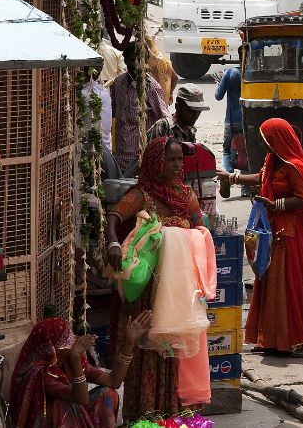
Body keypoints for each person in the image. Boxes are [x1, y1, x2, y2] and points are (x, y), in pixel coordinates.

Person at [105, 137, 205, 422]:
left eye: (179, 160)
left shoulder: (186, 196)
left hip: (178, 295)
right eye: (170, 160)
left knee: (175, 355)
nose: (177, 165)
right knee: (147, 352)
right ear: (154, 162)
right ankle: (146, 418)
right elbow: (113, 217)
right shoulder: (142, 195)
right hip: (148, 293)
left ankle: (176, 417)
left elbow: (201, 228)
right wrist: (113, 244)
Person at [226, 119, 303, 356]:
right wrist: (232, 177)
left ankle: (301, 340)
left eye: (265, 138)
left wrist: (274, 204)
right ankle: (272, 338)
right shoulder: (273, 160)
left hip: (292, 235)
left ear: (277, 140)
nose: (262, 143)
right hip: (274, 231)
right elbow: (261, 177)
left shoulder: (294, 165)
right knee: (271, 283)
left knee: (292, 285)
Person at [9, 312, 153, 428]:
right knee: (64, 405)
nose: (71, 347)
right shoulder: (40, 373)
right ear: (50, 349)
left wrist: (129, 343)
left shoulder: (68, 360)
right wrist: (76, 359)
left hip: (74, 418)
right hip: (48, 421)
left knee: (108, 393)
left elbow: (113, 381)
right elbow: (81, 399)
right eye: (65, 345)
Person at [109, 45, 168, 174]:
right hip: (120, 155)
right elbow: (113, 112)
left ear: (145, 61)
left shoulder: (151, 87)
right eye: (131, 60)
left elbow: (164, 120)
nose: (135, 64)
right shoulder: (118, 83)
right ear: (124, 60)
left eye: (139, 60)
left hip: (140, 158)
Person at [214, 66, 242, 173]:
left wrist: (219, 83)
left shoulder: (229, 72)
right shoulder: (250, 70)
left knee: (226, 151)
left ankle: (227, 177)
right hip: (246, 119)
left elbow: (218, 96)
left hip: (231, 120)